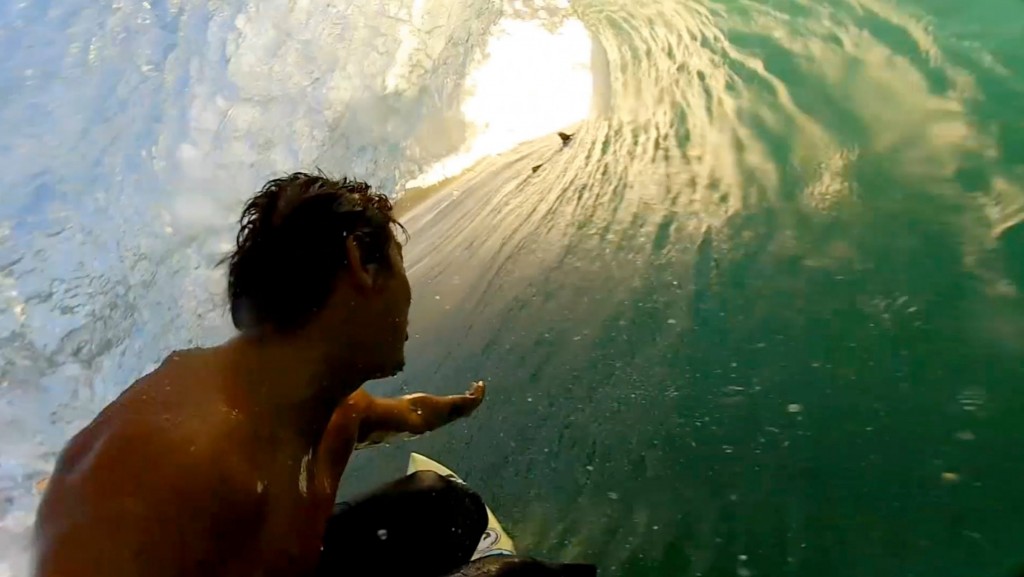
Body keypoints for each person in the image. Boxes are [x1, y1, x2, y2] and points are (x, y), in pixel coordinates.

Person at [32, 172, 487, 577]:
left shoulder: (332, 410)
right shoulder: (175, 461)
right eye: (400, 263)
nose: (408, 296)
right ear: (361, 264)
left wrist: (457, 408)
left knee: (444, 507)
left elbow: (406, 414)